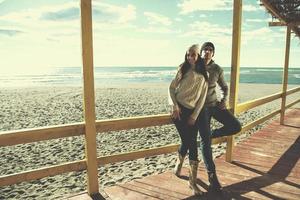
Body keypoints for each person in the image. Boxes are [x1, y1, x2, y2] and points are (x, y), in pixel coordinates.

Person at [198, 41, 242, 193]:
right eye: (205, 49)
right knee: (205, 142)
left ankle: (211, 134)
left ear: (213, 53)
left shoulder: (217, 69)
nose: (207, 52)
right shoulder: (194, 66)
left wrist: (223, 100)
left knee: (236, 126)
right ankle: (212, 178)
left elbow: (224, 87)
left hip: (214, 105)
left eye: (210, 50)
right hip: (200, 109)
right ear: (201, 52)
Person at [169, 44, 208, 196]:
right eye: (188, 55)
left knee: (188, 141)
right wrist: (174, 106)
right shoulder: (182, 68)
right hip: (178, 111)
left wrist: (194, 115)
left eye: (193, 55)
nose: (190, 57)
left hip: (193, 113)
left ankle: (179, 166)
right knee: (191, 143)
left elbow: (202, 98)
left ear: (198, 56)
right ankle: (192, 182)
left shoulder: (204, 74)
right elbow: (171, 88)